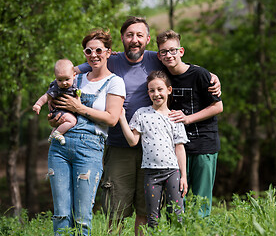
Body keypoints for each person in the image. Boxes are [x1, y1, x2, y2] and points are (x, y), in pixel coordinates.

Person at [73, 16, 221, 235]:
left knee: (147, 209)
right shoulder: (111, 60)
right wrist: (68, 73)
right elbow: (82, 66)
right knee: (116, 207)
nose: (134, 40)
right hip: (119, 145)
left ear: (148, 39)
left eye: (139, 35)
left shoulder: (156, 58)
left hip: (152, 150)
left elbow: (181, 63)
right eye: (129, 35)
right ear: (122, 38)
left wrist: (211, 76)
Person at [47, 28, 126, 235]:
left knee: (82, 217)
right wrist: (54, 118)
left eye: (99, 50)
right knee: (61, 214)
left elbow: (112, 118)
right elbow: (55, 105)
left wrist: (79, 109)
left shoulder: (115, 82)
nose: (94, 55)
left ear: (108, 52)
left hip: (90, 149)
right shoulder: (74, 78)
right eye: (88, 51)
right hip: (59, 147)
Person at [156, 29, 223, 217]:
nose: (169, 55)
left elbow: (218, 107)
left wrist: (188, 119)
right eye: (164, 52)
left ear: (181, 51)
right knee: (175, 203)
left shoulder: (200, 74)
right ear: (159, 56)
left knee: (201, 204)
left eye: (173, 50)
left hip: (203, 145)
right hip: (175, 149)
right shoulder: (162, 77)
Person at [119, 70, 188, 228]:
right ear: (148, 93)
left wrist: (183, 176)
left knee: (177, 215)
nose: (156, 94)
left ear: (168, 90)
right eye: (152, 90)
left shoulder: (175, 117)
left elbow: (180, 148)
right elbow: (132, 141)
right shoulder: (142, 114)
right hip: (151, 173)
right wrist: (122, 119)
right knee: (152, 218)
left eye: (160, 89)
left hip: (172, 171)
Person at [33, 59, 78, 145]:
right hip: (58, 111)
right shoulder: (57, 88)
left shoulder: (75, 82)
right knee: (72, 121)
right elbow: (46, 96)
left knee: (67, 120)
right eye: (60, 80)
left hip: (66, 110)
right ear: (56, 77)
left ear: (74, 75)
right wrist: (38, 104)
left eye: (67, 79)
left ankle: (52, 135)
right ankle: (57, 133)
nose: (64, 83)